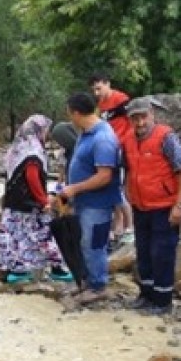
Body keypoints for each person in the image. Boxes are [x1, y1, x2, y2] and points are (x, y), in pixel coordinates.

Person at [121, 98, 181, 316]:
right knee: (143, 253)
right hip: (141, 206)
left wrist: (179, 205)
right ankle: (146, 294)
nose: (140, 122)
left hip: (164, 206)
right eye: (135, 118)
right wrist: (127, 191)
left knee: (162, 253)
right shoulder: (128, 140)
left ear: (152, 114)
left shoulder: (165, 137)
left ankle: (163, 300)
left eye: (143, 117)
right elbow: (129, 169)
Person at [0, 114, 75, 284]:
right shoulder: (33, 150)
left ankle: (17, 271)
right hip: (30, 204)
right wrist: (43, 200)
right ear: (39, 130)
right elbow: (32, 177)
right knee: (44, 235)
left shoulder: (18, 148)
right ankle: (57, 269)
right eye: (46, 130)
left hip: (14, 202)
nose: (47, 134)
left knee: (15, 237)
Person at [59, 91, 123, 303]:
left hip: (98, 204)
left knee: (94, 243)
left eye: (69, 113)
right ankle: (87, 281)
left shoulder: (103, 138)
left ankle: (98, 286)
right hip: (85, 202)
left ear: (76, 113)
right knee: (83, 242)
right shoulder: (87, 134)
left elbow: (105, 176)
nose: (69, 117)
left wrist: (75, 189)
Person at [90, 73, 135, 248]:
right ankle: (118, 226)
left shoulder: (122, 100)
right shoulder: (100, 106)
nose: (96, 93)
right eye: (94, 89)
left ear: (108, 84)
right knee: (109, 187)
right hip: (108, 148)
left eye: (99, 88)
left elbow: (131, 123)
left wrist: (124, 144)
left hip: (121, 148)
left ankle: (130, 227)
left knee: (119, 189)